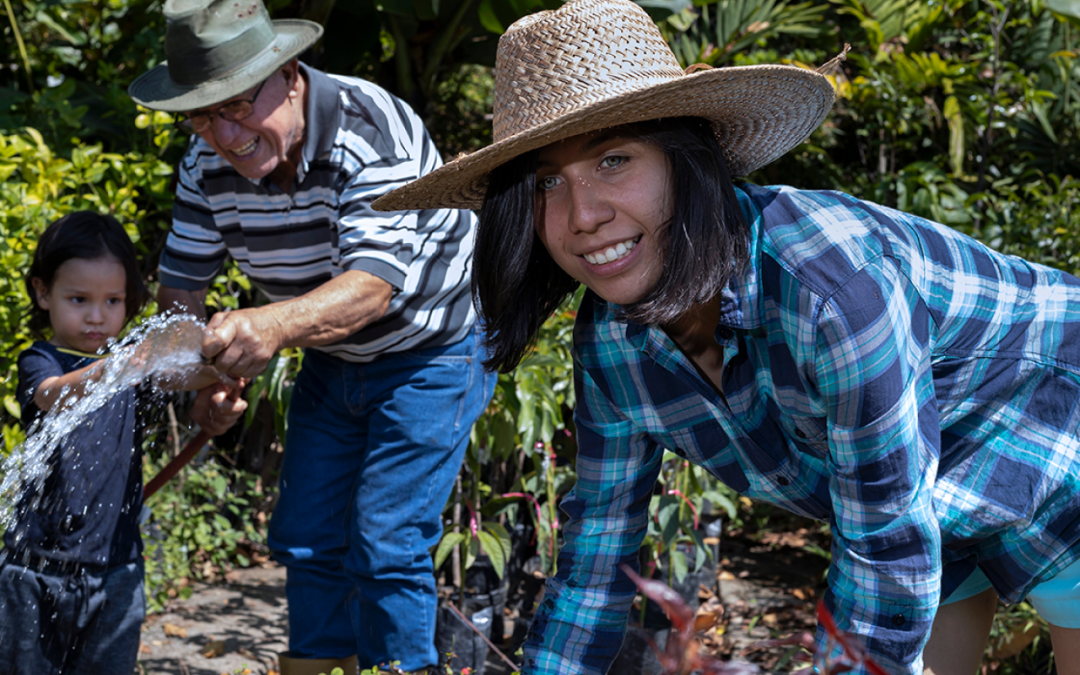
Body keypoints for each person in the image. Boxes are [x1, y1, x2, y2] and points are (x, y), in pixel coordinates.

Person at [371, 1, 1080, 673]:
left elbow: (885, 553)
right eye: (546, 182)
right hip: (925, 499)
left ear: (688, 159)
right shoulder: (615, 347)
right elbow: (593, 571)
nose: (582, 213)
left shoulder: (828, 289)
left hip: (1055, 430)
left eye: (612, 160)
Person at [128, 1, 497, 673]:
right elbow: (179, 298)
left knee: (386, 542)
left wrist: (266, 325)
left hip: (434, 351)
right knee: (305, 538)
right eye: (201, 115)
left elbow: (369, 289)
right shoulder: (204, 162)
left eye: (237, 105)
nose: (223, 133)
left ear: (290, 73)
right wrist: (205, 379)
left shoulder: (369, 125)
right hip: (331, 355)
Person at [0, 211, 236, 675]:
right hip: (35, 571)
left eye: (113, 300)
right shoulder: (42, 360)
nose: (96, 315)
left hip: (117, 572)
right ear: (42, 292)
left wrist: (225, 367)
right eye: (79, 299)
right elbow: (51, 396)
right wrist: (118, 366)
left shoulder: (132, 368)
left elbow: (179, 373)